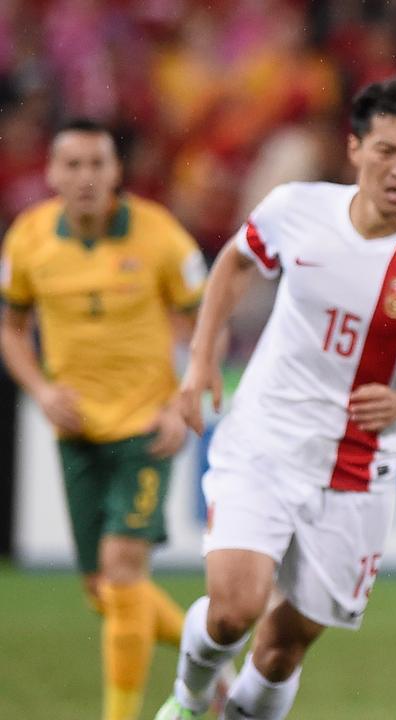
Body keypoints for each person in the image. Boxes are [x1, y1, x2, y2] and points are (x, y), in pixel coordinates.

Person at [153, 79, 396, 720]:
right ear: (355, 147)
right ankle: (191, 696)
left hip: (356, 472)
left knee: (281, 652)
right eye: (387, 150)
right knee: (234, 611)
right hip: (265, 441)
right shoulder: (295, 208)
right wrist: (199, 361)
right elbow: (234, 262)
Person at [0, 119, 209, 720]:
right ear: (52, 173)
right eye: (73, 165)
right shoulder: (29, 239)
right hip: (76, 432)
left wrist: (180, 402)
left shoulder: (160, 236)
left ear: (118, 172)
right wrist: (39, 390)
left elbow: (205, 324)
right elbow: (12, 329)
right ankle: (214, 665)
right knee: (107, 593)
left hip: (146, 430)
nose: (86, 177)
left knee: (122, 571)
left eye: (98, 164)